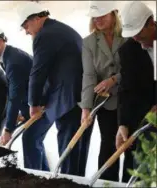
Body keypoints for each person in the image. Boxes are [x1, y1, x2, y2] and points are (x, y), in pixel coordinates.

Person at [16, 2, 88, 176]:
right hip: (81, 97)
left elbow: (39, 71)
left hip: (68, 100)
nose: (26, 31)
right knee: (77, 153)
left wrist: (34, 103)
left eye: (26, 26)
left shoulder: (44, 35)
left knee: (67, 152)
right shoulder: (62, 30)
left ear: (37, 18)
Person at [0, 23, 52, 171]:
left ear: (0, 41)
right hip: (35, 106)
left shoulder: (14, 61)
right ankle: (45, 178)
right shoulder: (8, 57)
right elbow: (20, 89)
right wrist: (21, 113)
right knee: (35, 142)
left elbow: (14, 96)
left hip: (42, 106)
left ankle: (35, 180)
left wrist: (8, 129)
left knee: (30, 140)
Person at [81, 1, 126, 181]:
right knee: (108, 144)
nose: (98, 19)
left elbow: (135, 69)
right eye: (95, 16)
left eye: (102, 15)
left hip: (128, 98)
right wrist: (85, 108)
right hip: (105, 102)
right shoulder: (88, 42)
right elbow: (88, 75)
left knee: (130, 145)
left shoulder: (129, 36)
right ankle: (107, 183)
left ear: (114, 14)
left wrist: (114, 79)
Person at [116, 1, 156, 182]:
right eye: (132, 35)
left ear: (151, 23)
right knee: (136, 165)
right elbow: (127, 89)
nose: (136, 39)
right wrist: (123, 124)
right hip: (143, 114)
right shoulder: (128, 50)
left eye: (139, 33)